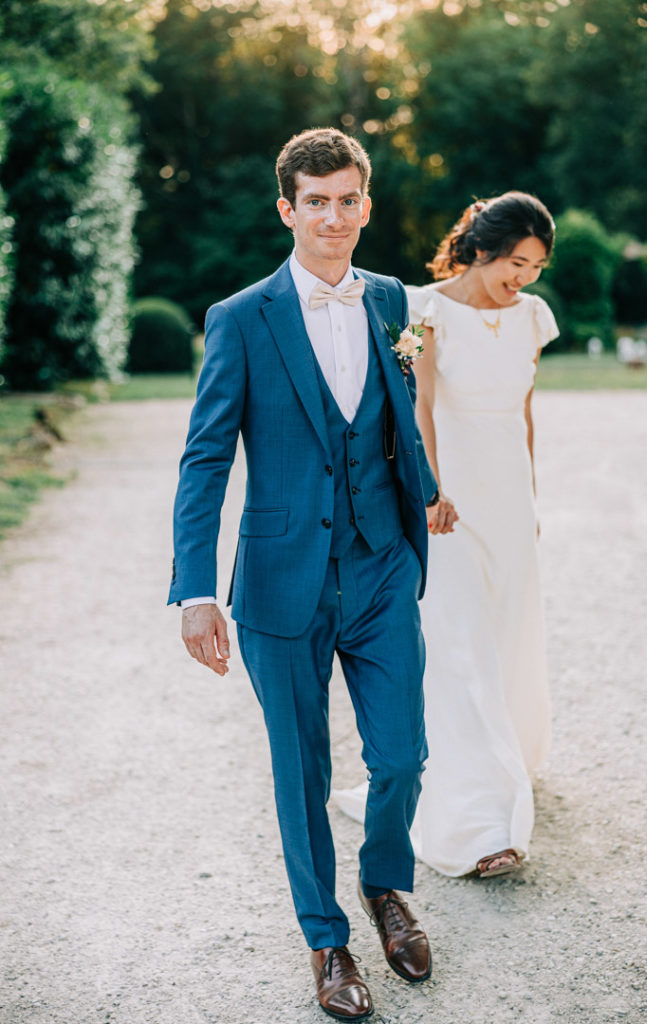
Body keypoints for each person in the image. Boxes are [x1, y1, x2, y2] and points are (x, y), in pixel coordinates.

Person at [168, 128, 456, 1022]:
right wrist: (193, 588)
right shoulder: (241, 317)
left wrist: (427, 504)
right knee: (298, 769)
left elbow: (402, 420)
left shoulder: (392, 300)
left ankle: (383, 887)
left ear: (365, 206)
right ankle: (326, 943)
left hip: (379, 568)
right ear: (287, 209)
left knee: (401, 755)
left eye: (347, 200)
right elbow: (206, 457)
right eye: (315, 202)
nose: (333, 217)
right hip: (280, 579)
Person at [334, 192, 558, 879]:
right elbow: (418, 406)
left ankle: (507, 761)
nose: (522, 277)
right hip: (448, 503)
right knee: (457, 640)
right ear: (482, 248)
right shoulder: (422, 310)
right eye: (515, 262)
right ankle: (475, 820)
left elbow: (522, 412)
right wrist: (427, 490)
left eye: (536, 266)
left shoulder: (532, 317)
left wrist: (531, 495)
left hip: (508, 500)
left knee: (509, 626)